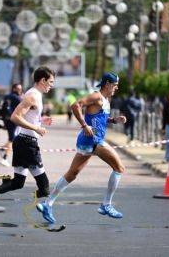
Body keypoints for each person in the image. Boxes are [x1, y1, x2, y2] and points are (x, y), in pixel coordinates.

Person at [36, 72, 127, 224]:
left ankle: (47, 204)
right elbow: (75, 105)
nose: (116, 88)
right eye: (115, 85)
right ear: (107, 84)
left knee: (72, 174)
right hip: (94, 140)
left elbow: (99, 118)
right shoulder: (96, 96)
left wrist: (114, 120)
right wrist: (84, 125)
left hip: (87, 140)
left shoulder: (105, 99)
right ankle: (106, 204)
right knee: (119, 168)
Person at [0, 66, 55, 198]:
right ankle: (43, 207)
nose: (52, 85)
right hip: (27, 144)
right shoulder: (33, 96)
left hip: (22, 142)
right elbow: (15, 117)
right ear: (42, 80)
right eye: (51, 82)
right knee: (44, 187)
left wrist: (41, 120)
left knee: (18, 183)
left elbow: (29, 116)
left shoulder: (36, 95)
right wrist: (37, 128)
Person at [0, 83, 23, 167]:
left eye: (21, 88)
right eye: (19, 89)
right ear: (14, 89)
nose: (20, 90)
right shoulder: (17, 98)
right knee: (12, 139)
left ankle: (2, 148)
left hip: (6, 119)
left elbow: (0, 107)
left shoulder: (6, 96)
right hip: (13, 120)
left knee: (12, 138)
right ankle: (4, 158)